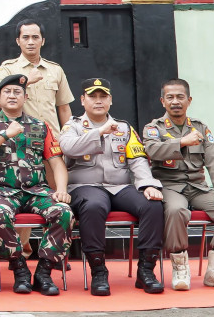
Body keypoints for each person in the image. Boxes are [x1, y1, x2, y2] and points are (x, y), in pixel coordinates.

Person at [60, 77, 164, 296]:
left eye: (103, 96)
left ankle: (146, 271)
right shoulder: (73, 125)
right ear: (82, 100)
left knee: (152, 205)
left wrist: (147, 185)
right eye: (93, 96)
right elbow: (68, 148)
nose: (98, 101)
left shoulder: (124, 128)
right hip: (85, 186)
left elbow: (137, 159)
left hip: (119, 186)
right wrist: (99, 132)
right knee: (94, 206)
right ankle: (98, 271)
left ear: (110, 100)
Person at [0, 74, 72, 296]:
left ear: (25, 97)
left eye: (17, 92)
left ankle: (44, 272)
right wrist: (4, 135)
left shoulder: (40, 126)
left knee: (63, 212)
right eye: (7, 92)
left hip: (36, 191)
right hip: (0, 191)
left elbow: (56, 162)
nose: (12, 96)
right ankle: (20, 269)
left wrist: (62, 190)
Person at [142, 78, 214, 292]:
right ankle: (180, 267)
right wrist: (182, 142)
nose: (175, 101)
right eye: (170, 97)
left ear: (189, 100)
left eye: (180, 97)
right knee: (176, 210)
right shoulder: (154, 128)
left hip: (197, 187)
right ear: (162, 101)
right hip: (169, 186)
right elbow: (152, 151)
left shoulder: (200, 128)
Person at [0, 20, 74, 133]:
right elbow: (0, 101)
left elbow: (64, 108)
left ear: (43, 41)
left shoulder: (55, 69)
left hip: (52, 139)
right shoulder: (8, 68)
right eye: (25, 37)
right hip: (22, 138)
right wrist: (27, 81)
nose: (30, 42)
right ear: (18, 41)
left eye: (35, 37)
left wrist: (68, 137)